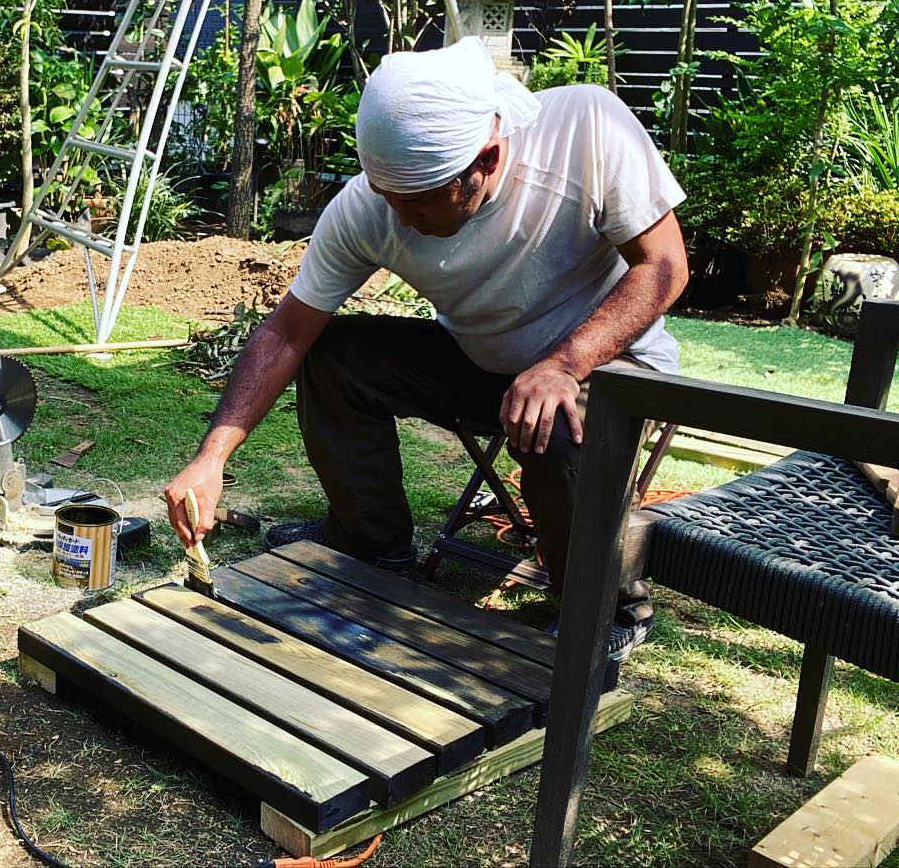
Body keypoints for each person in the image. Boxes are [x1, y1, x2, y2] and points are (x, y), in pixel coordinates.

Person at [162, 36, 689, 661]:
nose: (402, 221)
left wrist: (563, 365)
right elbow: (285, 332)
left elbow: (664, 268)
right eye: (390, 198)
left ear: (488, 157)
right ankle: (371, 541)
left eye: (419, 201)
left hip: (606, 365)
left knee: (558, 414)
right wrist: (213, 456)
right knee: (334, 354)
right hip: (482, 362)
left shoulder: (585, 129)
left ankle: (607, 607)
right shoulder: (372, 206)